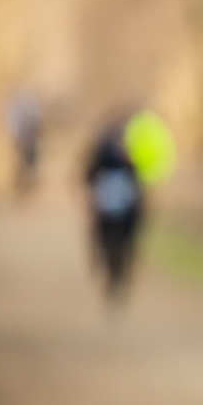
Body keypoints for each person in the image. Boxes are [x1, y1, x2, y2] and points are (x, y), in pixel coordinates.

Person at [84, 114, 143, 302]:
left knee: (115, 242)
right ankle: (114, 274)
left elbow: (89, 176)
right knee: (113, 242)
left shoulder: (123, 157)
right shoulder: (113, 156)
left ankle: (115, 274)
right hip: (112, 205)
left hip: (117, 206)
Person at [6, 91, 42, 197]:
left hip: (27, 140)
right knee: (24, 165)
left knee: (27, 165)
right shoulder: (29, 108)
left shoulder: (22, 109)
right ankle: (24, 189)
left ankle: (26, 189)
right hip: (25, 140)